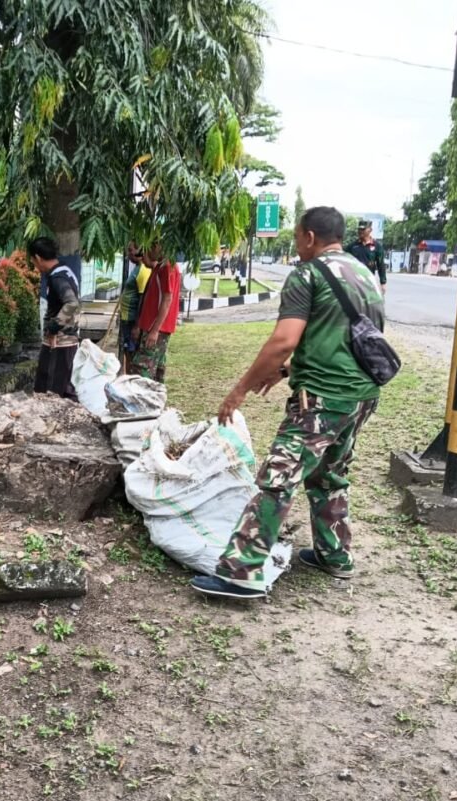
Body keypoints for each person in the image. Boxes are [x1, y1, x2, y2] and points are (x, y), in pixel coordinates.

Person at [191, 206, 384, 600]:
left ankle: (240, 573)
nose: (296, 247)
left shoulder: (308, 274)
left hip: (322, 399)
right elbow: (349, 338)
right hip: (361, 396)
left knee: (278, 478)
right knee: (329, 475)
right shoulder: (364, 273)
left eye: (297, 238)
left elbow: (283, 340)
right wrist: (284, 373)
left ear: (310, 237)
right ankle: (335, 555)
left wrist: (239, 389)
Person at [28, 236, 81, 400]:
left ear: (37, 257)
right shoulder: (65, 270)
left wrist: (53, 328)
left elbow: (71, 303)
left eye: (33, 261)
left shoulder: (58, 278)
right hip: (66, 343)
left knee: (51, 393)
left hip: (59, 344)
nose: (34, 266)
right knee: (62, 390)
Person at [129, 242, 180, 383]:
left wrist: (155, 330)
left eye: (152, 246)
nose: (149, 250)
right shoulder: (160, 267)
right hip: (152, 326)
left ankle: (142, 401)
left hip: (155, 327)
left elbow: (167, 299)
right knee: (157, 369)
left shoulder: (167, 267)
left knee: (142, 368)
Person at [117, 243, 152, 373]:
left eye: (131, 250)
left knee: (132, 352)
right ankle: (128, 376)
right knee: (127, 351)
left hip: (132, 320)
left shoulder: (143, 271)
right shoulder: (137, 268)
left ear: (139, 251)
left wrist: (137, 326)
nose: (129, 253)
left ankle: (131, 379)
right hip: (127, 318)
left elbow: (142, 300)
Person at [346, 220, 387, 295]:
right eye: (359, 229)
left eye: (363, 229)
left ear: (370, 230)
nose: (360, 231)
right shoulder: (352, 246)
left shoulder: (377, 246)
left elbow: (381, 265)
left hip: (369, 282)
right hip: (354, 282)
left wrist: (383, 283)